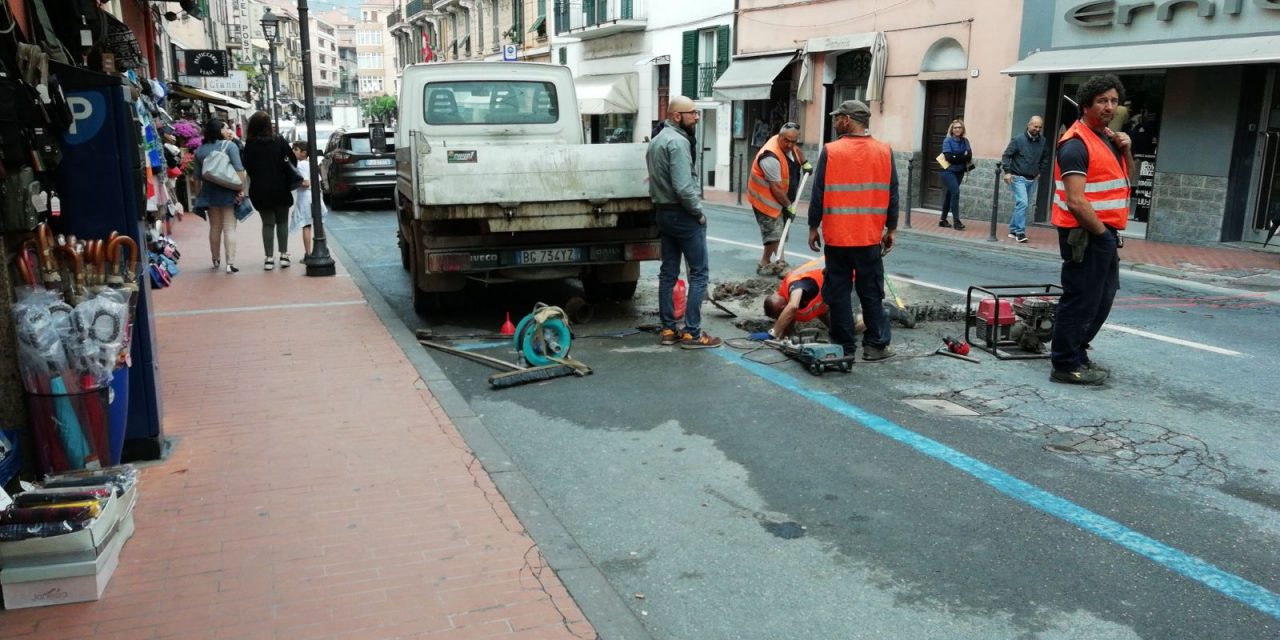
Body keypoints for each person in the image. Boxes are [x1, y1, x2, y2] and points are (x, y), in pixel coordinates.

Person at [1049, 74, 1135, 386]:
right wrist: (1101, 236)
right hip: (1085, 234)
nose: (1109, 106)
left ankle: (1078, 352)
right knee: (1081, 299)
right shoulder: (1075, 144)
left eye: (1113, 101)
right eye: (1101, 101)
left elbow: (1128, 181)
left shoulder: (1108, 139)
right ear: (1086, 105)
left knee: (1102, 298)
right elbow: (1075, 200)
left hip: (1103, 232)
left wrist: (1126, 150)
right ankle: (1064, 364)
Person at [807, 100, 898, 362]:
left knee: (838, 293)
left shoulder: (831, 151)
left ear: (847, 120)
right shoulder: (884, 151)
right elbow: (892, 194)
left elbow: (818, 194)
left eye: (837, 118)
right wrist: (891, 229)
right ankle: (875, 345)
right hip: (869, 237)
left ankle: (844, 347)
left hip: (838, 237)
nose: (835, 122)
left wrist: (813, 227)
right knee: (871, 293)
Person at [646, 95, 721, 349]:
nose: (697, 117)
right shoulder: (678, 142)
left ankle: (668, 329)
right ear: (677, 116)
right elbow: (683, 186)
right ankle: (692, 333)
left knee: (668, 272)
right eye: (693, 113)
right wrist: (698, 213)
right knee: (699, 274)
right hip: (682, 214)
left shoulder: (657, 140)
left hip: (664, 213)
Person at [747, 122, 812, 276]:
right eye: (787, 141)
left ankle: (764, 262)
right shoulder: (770, 157)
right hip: (766, 200)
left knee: (773, 234)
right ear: (779, 136)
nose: (790, 145)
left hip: (780, 199)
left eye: (794, 141)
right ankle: (781, 264)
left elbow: (796, 150)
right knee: (777, 233)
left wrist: (804, 162)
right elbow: (776, 187)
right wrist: (788, 206)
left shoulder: (790, 145)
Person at [241, 111, 298, 270]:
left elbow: (247, 165)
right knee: (282, 222)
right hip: (280, 187)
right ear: (268, 125)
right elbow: (292, 160)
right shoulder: (279, 141)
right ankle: (284, 255)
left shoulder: (250, 144)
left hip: (260, 189)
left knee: (267, 224)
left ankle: (269, 258)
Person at [758, 256, 865, 340]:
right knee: (839, 332)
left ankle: (873, 315)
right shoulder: (786, 296)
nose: (781, 317)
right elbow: (790, 317)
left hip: (850, 275)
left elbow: (792, 307)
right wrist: (782, 338)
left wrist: (773, 333)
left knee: (850, 329)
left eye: (780, 316)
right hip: (836, 280)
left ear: (782, 308)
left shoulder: (795, 285)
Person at [192, 118, 246, 274]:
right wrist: (240, 188)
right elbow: (239, 168)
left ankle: (215, 259)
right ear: (219, 130)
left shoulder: (200, 150)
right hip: (228, 191)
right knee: (229, 227)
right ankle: (230, 263)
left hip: (209, 192)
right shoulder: (229, 146)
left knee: (215, 227)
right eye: (224, 128)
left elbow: (196, 177)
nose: (227, 130)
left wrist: (199, 194)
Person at [1001, 115, 1051, 243]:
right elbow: (1006, 156)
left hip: (1032, 179)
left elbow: (1045, 158)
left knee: (1022, 205)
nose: (1037, 129)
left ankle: (1013, 229)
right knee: (1023, 203)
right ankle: (1020, 232)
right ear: (1029, 125)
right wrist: (1007, 172)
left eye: (1040, 127)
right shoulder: (1018, 140)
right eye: (1035, 126)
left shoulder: (1043, 141)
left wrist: (1040, 171)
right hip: (1018, 177)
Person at [289, 141, 324, 256]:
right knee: (319, 224)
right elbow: (318, 181)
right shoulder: (311, 164)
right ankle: (324, 249)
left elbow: (306, 182)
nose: (293, 151)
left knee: (306, 225)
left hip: (305, 197)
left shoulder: (301, 165)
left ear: (304, 153)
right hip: (316, 196)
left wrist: (293, 183)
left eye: (295, 149)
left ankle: (308, 253)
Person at [939, 119, 971, 230]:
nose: (957, 129)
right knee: (956, 193)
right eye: (955, 127)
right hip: (948, 171)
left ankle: (943, 220)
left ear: (962, 129)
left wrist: (956, 157)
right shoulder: (947, 141)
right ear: (952, 130)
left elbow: (969, 156)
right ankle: (957, 222)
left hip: (960, 172)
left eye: (959, 127)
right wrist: (962, 157)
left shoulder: (965, 141)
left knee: (950, 194)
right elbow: (948, 157)